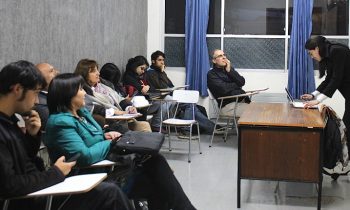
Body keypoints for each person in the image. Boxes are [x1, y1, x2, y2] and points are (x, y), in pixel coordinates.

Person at [43, 73, 197, 210]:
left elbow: (93, 137)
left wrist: (105, 135)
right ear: (68, 95)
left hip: (106, 170)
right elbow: (84, 156)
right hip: (87, 180)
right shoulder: (60, 123)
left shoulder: (81, 114)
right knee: (157, 174)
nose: (85, 93)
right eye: (80, 90)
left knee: (156, 168)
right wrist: (110, 143)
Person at [0, 60, 132, 210]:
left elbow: (26, 164)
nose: (36, 100)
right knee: (111, 193)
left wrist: (32, 137)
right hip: (34, 200)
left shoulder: (11, 122)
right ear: (17, 89)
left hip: (42, 191)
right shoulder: (5, 128)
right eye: (36, 93)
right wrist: (54, 173)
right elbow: (9, 185)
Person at [146, 50, 216, 134]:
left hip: (169, 96)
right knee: (190, 106)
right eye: (159, 60)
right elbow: (161, 86)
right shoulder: (151, 72)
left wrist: (162, 73)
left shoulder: (160, 72)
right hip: (160, 98)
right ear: (153, 61)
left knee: (192, 106)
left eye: (163, 60)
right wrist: (162, 72)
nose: (162, 62)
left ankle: (209, 128)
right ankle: (209, 128)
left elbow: (170, 85)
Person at [302, 36, 350, 158]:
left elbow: (336, 80)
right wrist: (313, 95)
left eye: (311, 53)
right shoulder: (329, 55)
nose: (311, 57)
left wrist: (317, 101)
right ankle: (343, 159)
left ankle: (342, 159)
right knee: (345, 129)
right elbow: (328, 79)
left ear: (317, 48)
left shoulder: (337, 51)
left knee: (346, 129)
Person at [74, 59, 151, 132]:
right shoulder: (82, 91)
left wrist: (129, 107)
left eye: (97, 70)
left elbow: (120, 99)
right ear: (84, 74)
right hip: (109, 122)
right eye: (93, 71)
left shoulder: (103, 86)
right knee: (129, 130)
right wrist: (116, 112)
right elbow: (93, 108)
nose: (98, 73)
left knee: (144, 125)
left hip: (122, 118)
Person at [123, 56, 169, 132]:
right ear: (135, 66)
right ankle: (156, 125)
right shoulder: (129, 76)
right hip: (137, 106)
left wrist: (162, 73)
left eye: (144, 69)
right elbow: (144, 89)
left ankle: (156, 125)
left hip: (144, 101)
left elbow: (159, 86)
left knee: (167, 100)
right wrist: (147, 87)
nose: (143, 71)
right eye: (142, 68)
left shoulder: (140, 75)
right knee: (165, 101)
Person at [207, 49, 250, 117]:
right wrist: (237, 84)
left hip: (241, 101)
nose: (224, 57)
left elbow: (242, 82)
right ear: (214, 61)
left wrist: (230, 71)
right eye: (220, 56)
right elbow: (224, 89)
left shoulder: (229, 69)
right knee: (254, 111)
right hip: (228, 106)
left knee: (259, 108)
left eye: (224, 55)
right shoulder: (211, 74)